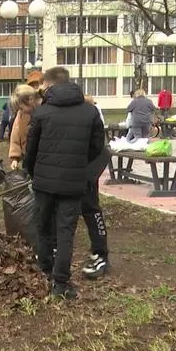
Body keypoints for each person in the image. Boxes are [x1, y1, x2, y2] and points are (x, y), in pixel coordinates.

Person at [24, 67, 105, 299]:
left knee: (43, 227)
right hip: (73, 183)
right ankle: (61, 283)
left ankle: (45, 271)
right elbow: (97, 146)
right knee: (66, 231)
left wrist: (33, 172)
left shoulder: (42, 113)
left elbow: (31, 150)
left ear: (50, 85)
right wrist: (78, 164)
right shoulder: (89, 112)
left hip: (44, 184)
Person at [81, 95, 111, 279]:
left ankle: (101, 254)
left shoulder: (89, 113)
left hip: (89, 167)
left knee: (91, 209)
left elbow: (97, 144)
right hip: (83, 166)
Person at [8, 84, 41, 170]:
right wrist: (15, 158)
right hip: (28, 161)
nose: (20, 111)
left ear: (30, 100)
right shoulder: (21, 115)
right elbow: (15, 137)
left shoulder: (46, 112)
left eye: (21, 108)